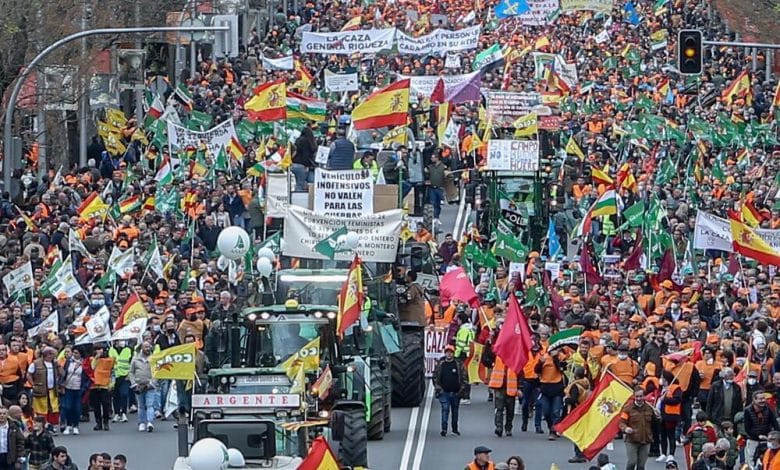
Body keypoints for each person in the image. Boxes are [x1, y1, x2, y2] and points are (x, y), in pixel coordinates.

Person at [620, 388, 658, 470]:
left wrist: (658, 417)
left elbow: (655, 424)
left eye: (641, 396)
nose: (639, 398)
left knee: (641, 466)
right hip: (632, 440)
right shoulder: (627, 408)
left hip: (646, 440)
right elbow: (622, 423)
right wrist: (626, 428)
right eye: (637, 396)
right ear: (634, 396)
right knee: (632, 462)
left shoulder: (650, 408)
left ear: (644, 396)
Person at [433, 345, 466, 437]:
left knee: (455, 412)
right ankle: (444, 429)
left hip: (456, 393)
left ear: (453, 353)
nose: (449, 354)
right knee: (445, 409)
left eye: (450, 352)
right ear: (445, 353)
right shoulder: (441, 364)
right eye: (447, 352)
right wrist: (439, 389)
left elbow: (464, 378)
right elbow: (435, 378)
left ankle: (455, 429)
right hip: (444, 393)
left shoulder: (458, 364)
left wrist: (461, 390)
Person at [26, 347, 61, 433]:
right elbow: (29, 374)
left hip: (52, 391)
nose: (51, 356)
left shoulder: (55, 363)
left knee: (53, 409)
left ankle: (52, 426)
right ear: (44, 354)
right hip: (40, 391)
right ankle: (43, 426)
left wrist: (58, 365)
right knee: (41, 409)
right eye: (50, 354)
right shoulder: (36, 363)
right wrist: (33, 385)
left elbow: (62, 373)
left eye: (52, 354)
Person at [743, 390, 780, 467]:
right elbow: (747, 429)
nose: (763, 400)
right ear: (754, 399)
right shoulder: (747, 411)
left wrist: (775, 435)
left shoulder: (768, 408)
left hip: (767, 439)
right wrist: (758, 435)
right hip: (753, 440)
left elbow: (775, 423)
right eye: (760, 399)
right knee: (751, 461)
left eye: (764, 398)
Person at [128, 341, 157, 432]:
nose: (148, 349)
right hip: (139, 386)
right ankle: (141, 422)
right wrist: (134, 384)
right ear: (142, 348)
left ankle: (150, 422)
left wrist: (153, 383)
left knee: (150, 404)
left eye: (149, 347)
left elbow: (157, 371)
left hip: (150, 386)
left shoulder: (154, 358)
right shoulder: (135, 359)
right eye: (146, 347)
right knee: (141, 405)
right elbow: (131, 372)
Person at [487, 352, 518, 437]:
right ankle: (499, 428)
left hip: (511, 388)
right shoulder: (497, 356)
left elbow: (520, 373)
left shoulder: (515, 359)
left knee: (510, 411)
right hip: (499, 387)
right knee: (499, 409)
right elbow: (486, 359)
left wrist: (520, 388)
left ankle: (508, 427)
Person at [88, 345, 113, 432]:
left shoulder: (109, 360)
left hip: (105, 386)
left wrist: (111, 384)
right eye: (97, 349)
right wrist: (96, 358)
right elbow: (91, 368)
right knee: (96, 406)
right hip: (94, 386)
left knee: (106, 405)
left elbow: (112, 372)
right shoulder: (92, 359)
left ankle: (106, 422)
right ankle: (98, 423)